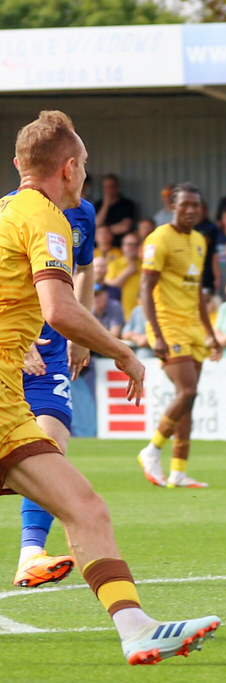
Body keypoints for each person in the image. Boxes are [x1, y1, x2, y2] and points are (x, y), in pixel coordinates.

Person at [1, 109, 219, 663]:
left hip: (8, 397)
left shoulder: (5, 212)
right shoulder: (47, 220)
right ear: (69, 168)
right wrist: (122, 350)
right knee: (84, 506)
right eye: (86, 166)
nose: (86, 176)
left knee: (85, 507)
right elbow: (59, 307)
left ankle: (136, 627)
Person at [10, 179, 95, 589]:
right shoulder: (13, 211)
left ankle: (31, 555)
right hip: (13, 348)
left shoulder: (84, 215)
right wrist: (15, 341)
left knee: (51, 447)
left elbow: (83, 273)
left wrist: (82, 335)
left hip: (56, 352)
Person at [138, 182, 223, 489]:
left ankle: (178, 471)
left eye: (195, 205)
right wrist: (156, 335)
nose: (190, 210)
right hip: (167, 325)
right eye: (184, 204)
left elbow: (197, 289)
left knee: (189, 399)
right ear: (172, 207)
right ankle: (152, 450)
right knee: (186, 391)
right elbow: (145, 288)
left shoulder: (200, 241)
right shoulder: (158, 239)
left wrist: (211, 333)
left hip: (192, 327)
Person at [104, 232, 142, 318]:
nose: (132, 248)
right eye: (129, 244)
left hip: (141, 315)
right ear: (122, 247)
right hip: (120, 314)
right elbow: (109, 285)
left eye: (135, 245)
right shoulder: (114, 264)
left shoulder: (145, 264)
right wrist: (128, 272)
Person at [94, 173, 137, 246]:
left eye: (111, 186)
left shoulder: (127, 204)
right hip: (100, 246)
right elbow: (95, 224)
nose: (109, 189)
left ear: (117, 187)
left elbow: (125, 227)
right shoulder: (98, 204)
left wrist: (103, 232)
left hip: (120, 244)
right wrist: (105, 205)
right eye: (106, 187)